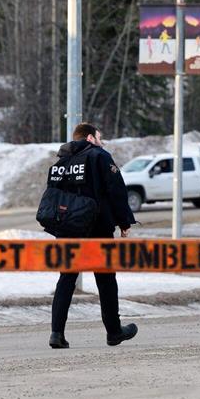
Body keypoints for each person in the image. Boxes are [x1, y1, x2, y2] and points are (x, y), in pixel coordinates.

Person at [48, 123, 138, 349]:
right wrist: (124, 221)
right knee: (106, 279)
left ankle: (56, 334)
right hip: (97, 227)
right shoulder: (99, 156)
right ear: (90, 138)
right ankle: (114, 332)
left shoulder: (61, 162)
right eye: (100, 136)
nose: (102, 140)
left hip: (67, 228)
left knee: (67, 278)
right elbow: (116, 190)